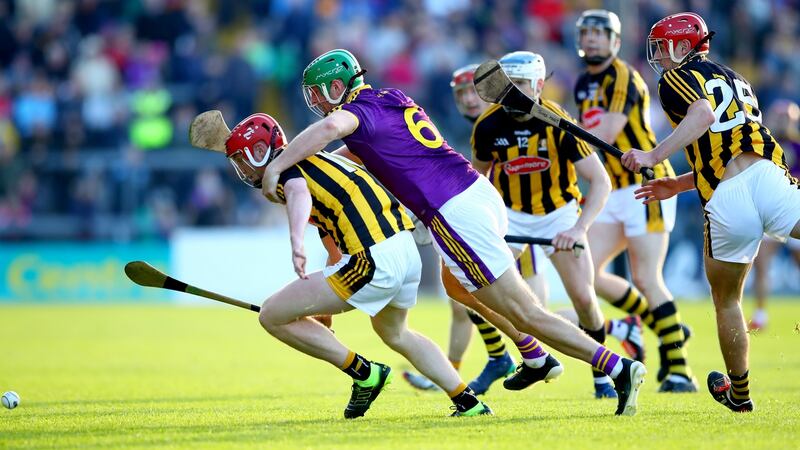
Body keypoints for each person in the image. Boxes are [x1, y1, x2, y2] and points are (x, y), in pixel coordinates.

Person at [262, 48, 646, 416]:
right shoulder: (389, 99)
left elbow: (331, 127)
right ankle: (534, 355)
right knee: (457, 285)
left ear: (337, 86)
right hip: (475, 193)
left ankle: (616, 367)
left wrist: (278, 166)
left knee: (526, 312)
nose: (317, 102)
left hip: (452, 211)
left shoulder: (355, 113)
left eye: (318, 92)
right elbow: (352, 158)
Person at [224, 112, 492, 418]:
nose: (241, 170)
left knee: (271, 314)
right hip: (404, 251)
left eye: (241, 160)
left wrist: (296, 240)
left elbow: (298, 193)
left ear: (260, 152)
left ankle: (365, 373)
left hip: (374, 259)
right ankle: (468, 402)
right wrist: (324, 301)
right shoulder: (321, 159)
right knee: (396, 334)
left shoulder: (286, 170)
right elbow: (331, 233)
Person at [622, 12, 800, 413]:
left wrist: (653, 156)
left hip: (725, 200)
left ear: (684, 47)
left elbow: (703, 116)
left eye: (663, 47)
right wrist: (678, 183)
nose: (658, 57)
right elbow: (728, 150)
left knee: (727, 301)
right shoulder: (738, 79)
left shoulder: (675, 78)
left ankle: (740, 394)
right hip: (768, 177)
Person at [471, 51, 619, 399]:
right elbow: (475, 181)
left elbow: (601, 181)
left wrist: (579, 229)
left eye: (521, 84)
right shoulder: (487, 125)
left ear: (538, 85)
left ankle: (602, 376)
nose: (511, 91)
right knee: (486, 289)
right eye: (507, 83)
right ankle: (531, 358)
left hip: (559, 213)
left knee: (584, 299)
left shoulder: (559, 122)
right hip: (511, 214)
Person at [403, 64, 550, 395]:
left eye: (473, 91)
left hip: (514, 223)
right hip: (488, 225)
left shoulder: (502, 124)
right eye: (461, 94)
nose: (469, 99)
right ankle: (469, 366)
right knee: (463, 297)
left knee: (535, 313)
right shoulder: (478, 129)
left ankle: (615, 333)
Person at [573, 9, 696, 392]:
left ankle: (679, 371)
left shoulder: (623, 76)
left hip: (646, 185)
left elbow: (606, 133)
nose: (591, 39)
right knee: (587, 274)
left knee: (645, 277)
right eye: (586, 33)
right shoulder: (582, 83)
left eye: (599, 33)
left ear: (615, 41)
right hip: (611, 189)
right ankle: (665, 325)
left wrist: (560, 128)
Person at [750, 100, 800, 330]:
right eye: (779, 117)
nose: (782, 122)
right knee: (761, 262)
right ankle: (760, 315)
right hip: (772, 211)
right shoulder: (763, 145)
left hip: (795, 210)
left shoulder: (797, 146)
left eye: (786, 117)